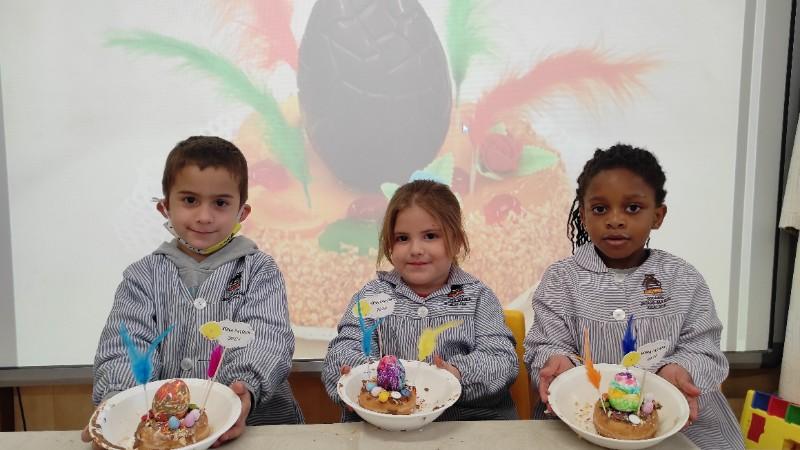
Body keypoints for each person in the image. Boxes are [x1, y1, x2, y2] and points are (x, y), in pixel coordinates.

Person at [82, 136, 303, 448]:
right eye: (189, 200)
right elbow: (127, 345)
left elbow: (267, 337)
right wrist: (119, 401)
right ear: (165, 207)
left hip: (258, 429)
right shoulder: (142, 276)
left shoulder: (259, 271)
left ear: (242, 212)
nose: (204, 216)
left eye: (220, 203)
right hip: (168, 436)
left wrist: (243, 389)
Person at [523, 144, 743, 449]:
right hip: (580, 419)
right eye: (600, 209)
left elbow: (703, 348)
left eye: (633, 208)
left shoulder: (682, 278)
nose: (615, 220)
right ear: (583, 216)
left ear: (658, 215)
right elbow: (546, 344)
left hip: (681, 425)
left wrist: (680, 370)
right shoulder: (561, 279)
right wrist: (557, 363)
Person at [322, 179, 518, 421]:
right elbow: (343, 349)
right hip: (383, 425)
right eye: (402, 238)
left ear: (457, 241)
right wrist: (358, 377)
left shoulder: (478, 298)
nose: (415, 249)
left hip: (466, 425)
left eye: (430, 236)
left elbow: (501, 359)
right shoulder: (372, 297)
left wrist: (456, 374)